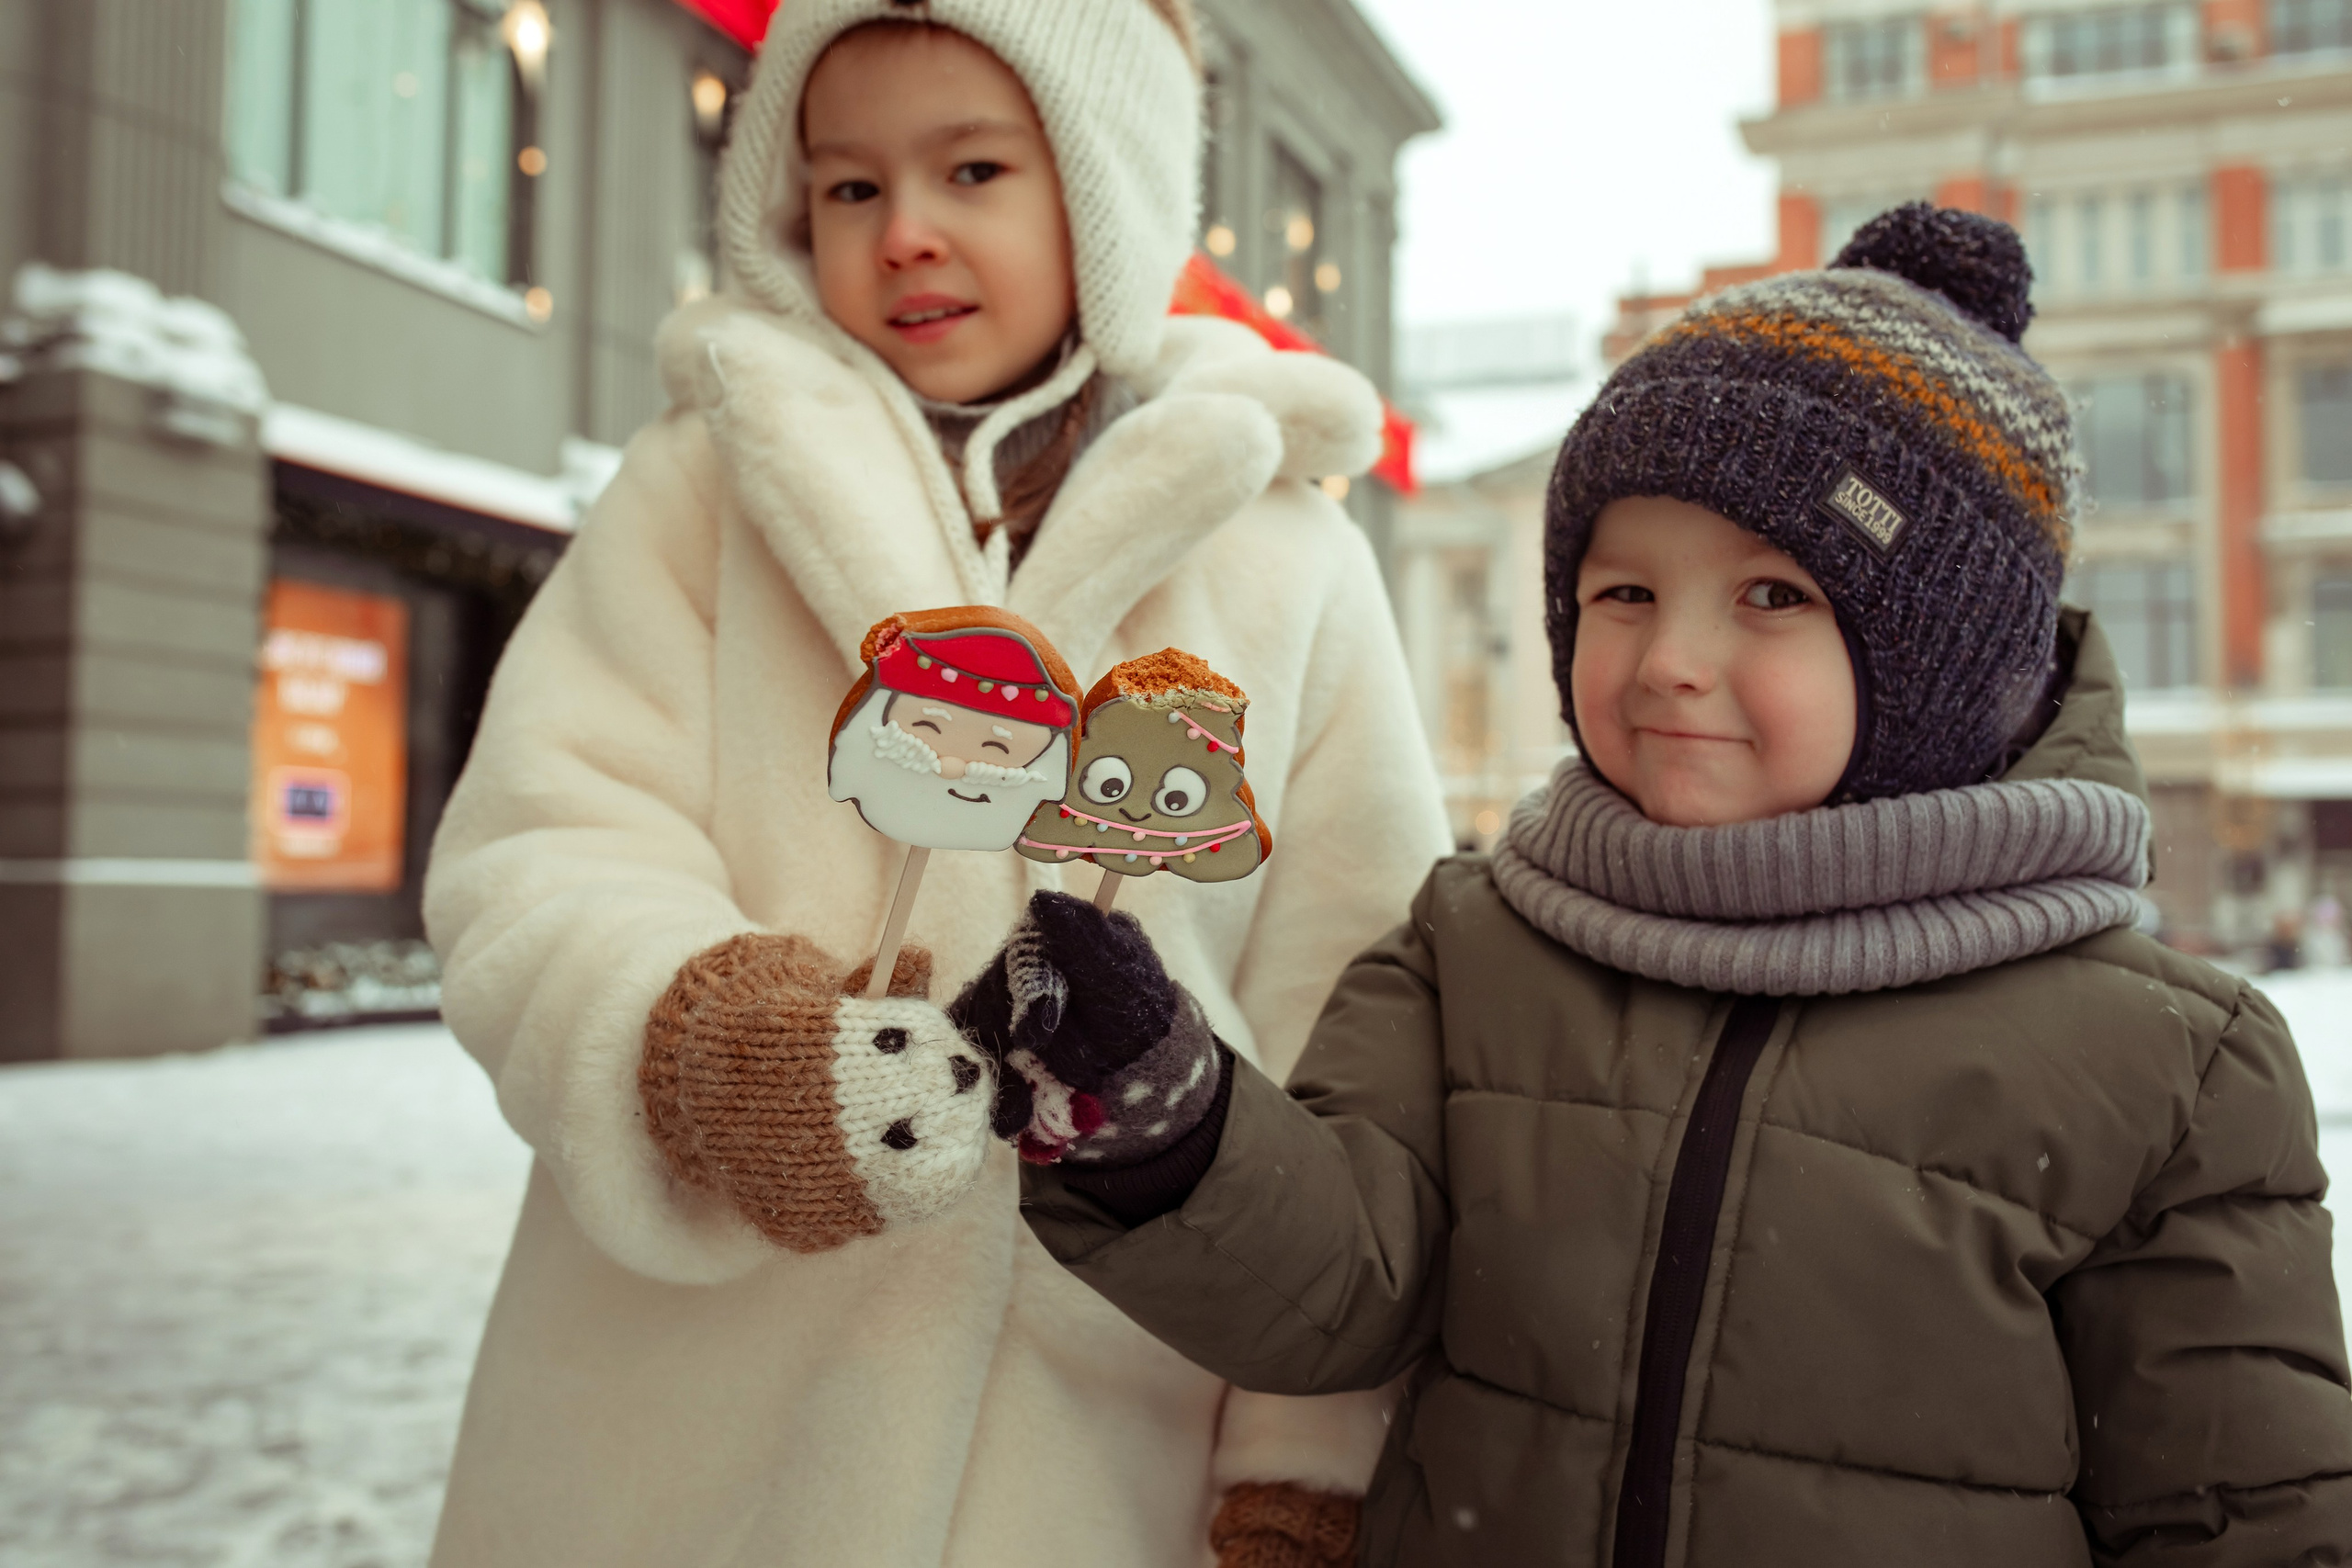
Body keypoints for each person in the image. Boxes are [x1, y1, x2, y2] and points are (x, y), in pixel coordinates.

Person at [953, 206, 2352, 1564]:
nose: (1672, 659)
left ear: (1941, 664)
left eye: (1772, 597)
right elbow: (1345, 1294)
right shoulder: (1479, 942)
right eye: (1624, 594)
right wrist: (1167, 1128)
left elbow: (2239, 1507)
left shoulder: (2171, 1067)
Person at [420, 2, 1449, 1563]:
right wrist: (704, 1051)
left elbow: (1357, 1013)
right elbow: (548, 844)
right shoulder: (705, 488)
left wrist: (1305, 1459)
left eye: (972, 171)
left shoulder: (1285, 550)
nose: (904, 234)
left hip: (1108, 1432)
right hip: (688, 1434)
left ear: (1105, 201)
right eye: (849, 188)